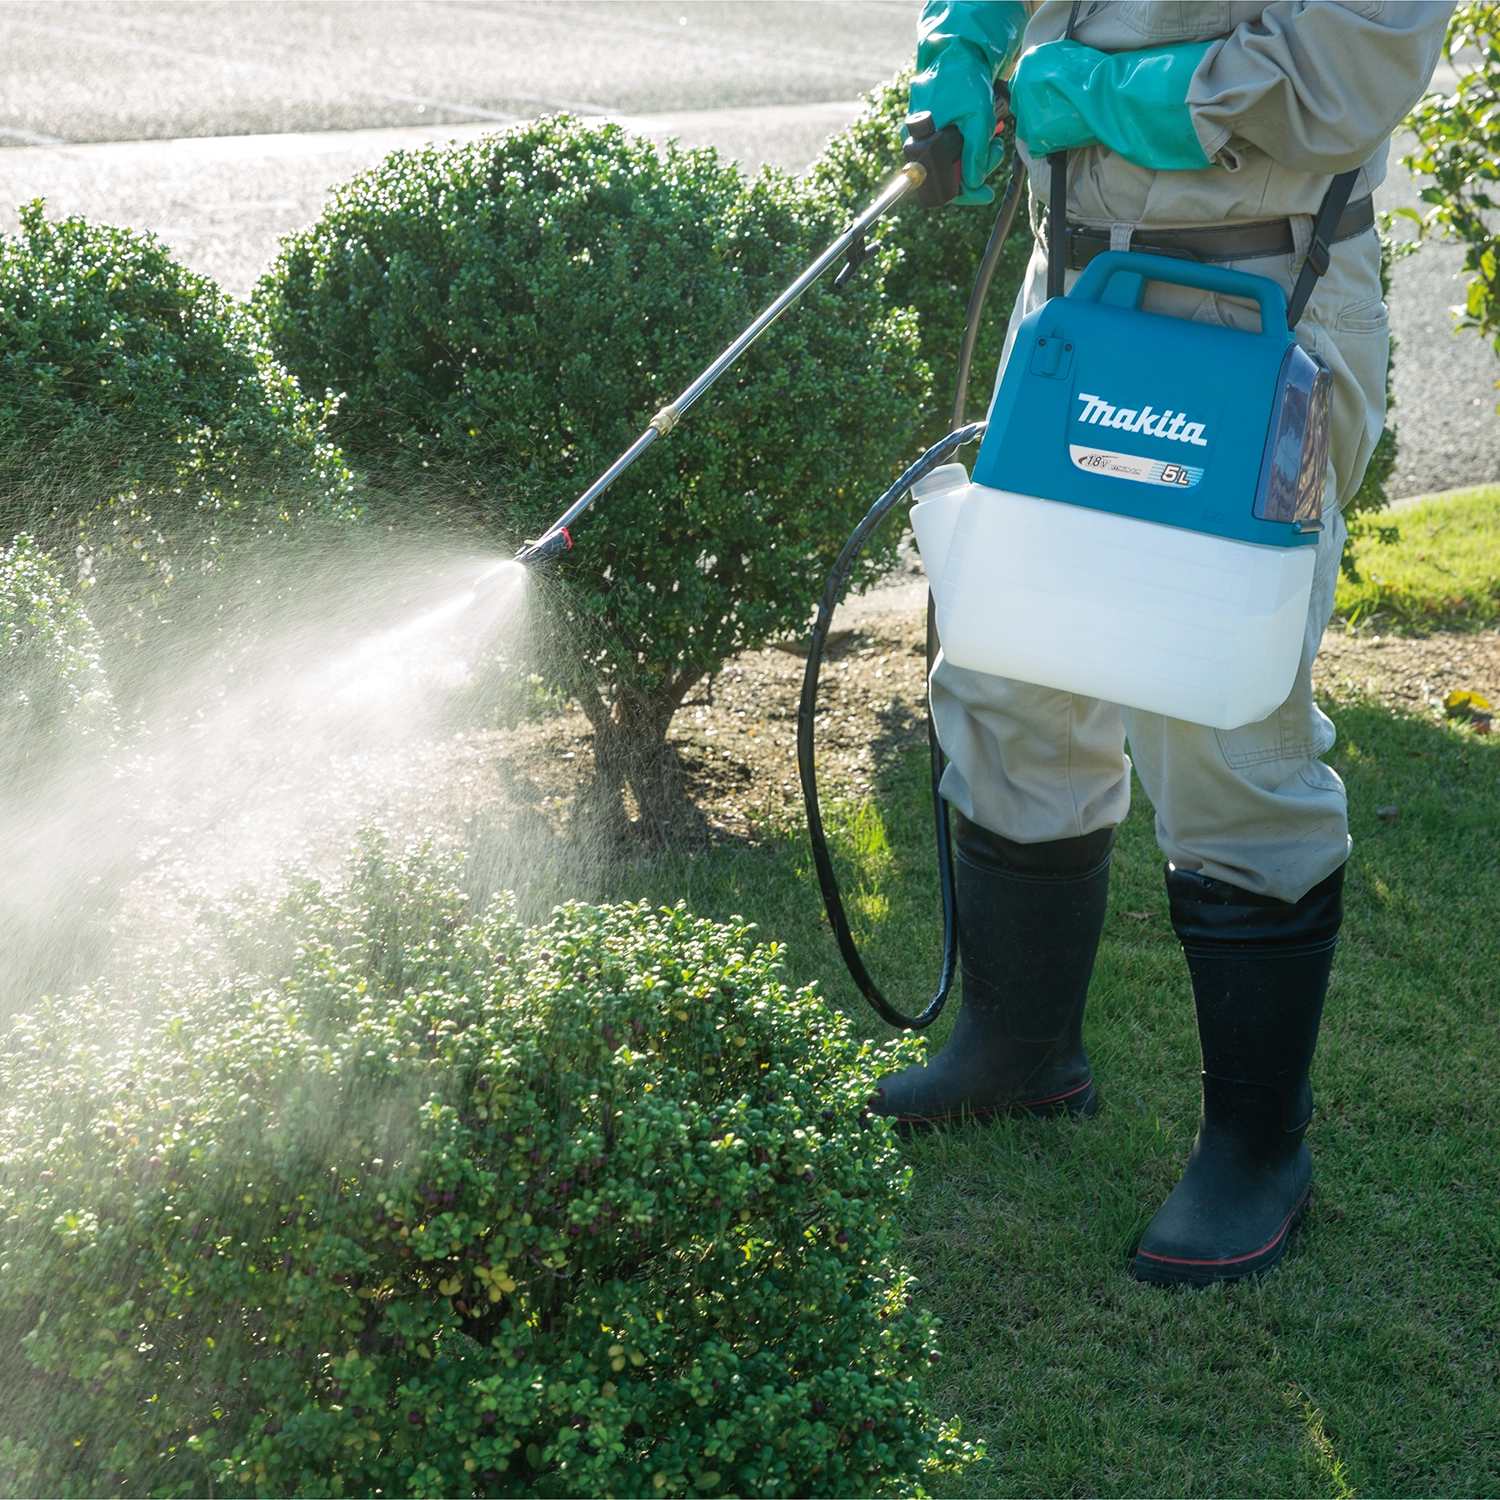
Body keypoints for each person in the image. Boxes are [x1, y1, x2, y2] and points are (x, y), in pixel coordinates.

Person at [872, 0, 1452, 1286]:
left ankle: (1256, 1150)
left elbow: (1344, 75)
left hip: (1263, 303)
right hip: (1076, 284)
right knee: (1012, 672)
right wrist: (962, 44)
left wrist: (1094, 92)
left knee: (1221, 715)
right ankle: (1019, 1054)